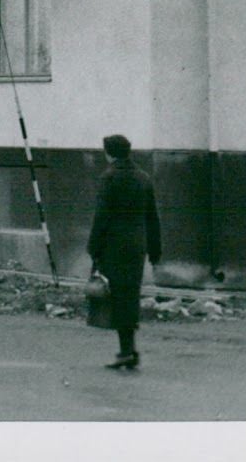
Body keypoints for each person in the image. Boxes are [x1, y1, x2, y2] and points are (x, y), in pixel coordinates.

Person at [87, 133, 163, 371]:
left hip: (113, 246)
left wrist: (94, 247)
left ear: (108, 152)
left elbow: (102, 217)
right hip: (136, 247)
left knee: (116, 297)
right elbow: (152, 216)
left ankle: (127, 351)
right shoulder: (143, 178)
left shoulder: (108, 178)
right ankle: (128, 350)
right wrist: (154, 248)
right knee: (130, 295)